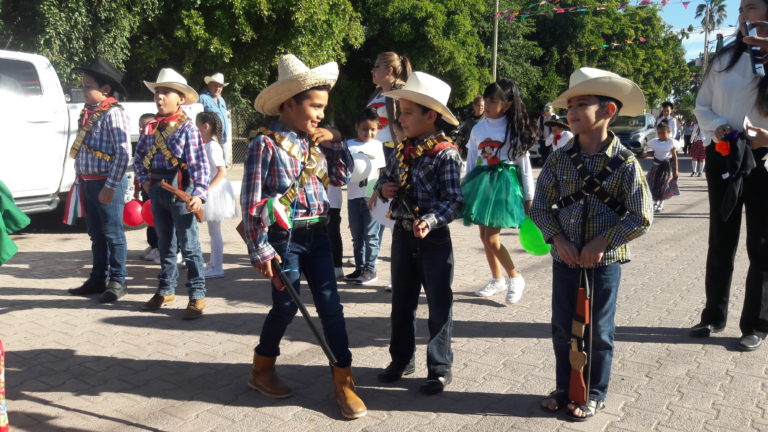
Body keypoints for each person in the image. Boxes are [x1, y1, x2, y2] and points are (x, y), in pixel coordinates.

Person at [243, 54, 366, 419]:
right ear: (288, 103)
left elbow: (342, 178)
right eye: (314, 106)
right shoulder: (264, 145)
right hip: (284, 238)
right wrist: (261, 249)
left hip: (320, 234)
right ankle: (261, 369)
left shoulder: (316, 142)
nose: (319, 115)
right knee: (285, 307)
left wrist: (336, 140)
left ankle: (344, 380)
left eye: (323, 108)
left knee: (332, 307)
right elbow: (251, 204)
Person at [530, 67, 652, 421]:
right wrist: (557, 238)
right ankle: (565, 387)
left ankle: (594, 392)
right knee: (562, 326)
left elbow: (641, 216)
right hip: (565, 258)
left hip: (605, 261)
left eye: (582, 103)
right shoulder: (558, 158)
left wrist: (603, 241)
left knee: (599, 330)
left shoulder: (626, 162)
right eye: (569, 105)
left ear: (608, 111)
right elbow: (539, 208)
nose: (571, 112)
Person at [373, 71, 464, 395]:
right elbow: (382, 182)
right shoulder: (400, 150)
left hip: (433, 239)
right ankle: (401, 360)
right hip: (402, 235)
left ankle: (439, 368)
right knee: (402, 302)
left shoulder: (446, 153)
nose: (401, 118)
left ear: (431, 115)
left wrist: (432, 219)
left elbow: (454, 200)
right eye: (401, 112)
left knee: (439, 304)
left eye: (408, 112)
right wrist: (384, 188)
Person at [689, 5, 768, 352]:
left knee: (762, 245)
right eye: (740, 9)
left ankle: (756, 323)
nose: (744, 13)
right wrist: (717, 126)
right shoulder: (723, 58)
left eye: (752, 6)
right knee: (721, 238)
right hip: (724, 152)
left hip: (764, 159)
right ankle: (713, 315)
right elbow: (701, 103)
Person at [134, 68, 210, 319]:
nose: (159, 97)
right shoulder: (151, 127)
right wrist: (145, 182)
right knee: (164, 244)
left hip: (181, 192)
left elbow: (200, 165)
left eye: (166, 92)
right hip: (157, 192)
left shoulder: (187, 129)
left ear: (181, 99)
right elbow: (139, 158)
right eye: (157, 92)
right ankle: (166, 289)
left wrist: (198, 194)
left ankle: (197, 295)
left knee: (189, 247)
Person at [462, 79, 535, 304]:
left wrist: (529, 197)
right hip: (481, 183)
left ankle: (515, 276)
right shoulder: (478, 128)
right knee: (484, 236)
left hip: (503, 185)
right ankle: (497, 279)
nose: (488, 104)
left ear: (507, 104)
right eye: (487, 99)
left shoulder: (513, 130)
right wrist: (467, 186)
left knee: (492, 239)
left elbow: (524, 166)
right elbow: (472, 158)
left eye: (493, 101)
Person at [66, 58, 131, 303]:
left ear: (104, 90)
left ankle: (118, 280)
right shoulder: (88, 112)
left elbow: (124, 153)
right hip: (88, 181)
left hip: (106, 183)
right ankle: (97, 279)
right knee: (96, 234)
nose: (83, 90)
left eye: (87, 86)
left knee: (113, 234)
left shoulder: (113, 114)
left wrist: (111, 186)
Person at [345, 108, 385, 285]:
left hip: (370, 194)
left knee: (371, 234)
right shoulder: (348, 145)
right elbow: (345, 170)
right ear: (356, 128)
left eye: (373, 129)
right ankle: (360, 268)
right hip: (353, 194)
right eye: (364, 129)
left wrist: (375, 192)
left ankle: (370, 269)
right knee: (357, 235)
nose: (368, 133)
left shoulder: (377, 145)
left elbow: (379, 171)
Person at [196, 112, 237, 279]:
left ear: (205, 127)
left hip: (215, 191)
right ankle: (213, 264)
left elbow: (222, 171)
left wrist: (207, 190)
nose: (197, 130)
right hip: (212, 189)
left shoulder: (212, 146)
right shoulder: (209, 145)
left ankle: (217, 266)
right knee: (213, 231)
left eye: (198, 127)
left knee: (215, 231)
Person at [368, 51, 411, 161]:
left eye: (377, 67)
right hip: (372, 149)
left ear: (389, 70)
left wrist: (403, 150)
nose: (372, 70)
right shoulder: (376, 93)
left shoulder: (402, 91)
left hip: (391, 150)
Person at [136, 113, 162, 262]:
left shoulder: (157, 141)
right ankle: (153, 245)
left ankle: (161, 248)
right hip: (146, 184)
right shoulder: (143, 142)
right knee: (149, 216)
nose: (142, 129)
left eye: (146, 126)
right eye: (140, 126)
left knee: (158, 218)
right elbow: (139, 163)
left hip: (157, 183)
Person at [643, 120, 680, 213]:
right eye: (659, 133)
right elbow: (655, 153)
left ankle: (661, 203)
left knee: (663, 185)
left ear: (668, 132)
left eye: (663, 133)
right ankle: (655, 202)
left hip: (665, 168)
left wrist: (675, 170)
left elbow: (674, 157)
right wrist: (646, 154)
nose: (661, 135)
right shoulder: (655, 142)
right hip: (655, 167)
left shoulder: (671, 143)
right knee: (654, 184)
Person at [199, 73, 231, 160]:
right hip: (211, 139)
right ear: (209, 85)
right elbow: (198, 119)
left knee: (222, 166)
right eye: (215, 86)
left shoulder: (222, 100)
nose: (218, 88)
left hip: (223, 140)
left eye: (220, 86)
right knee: (214, 166)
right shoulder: (202, 98)